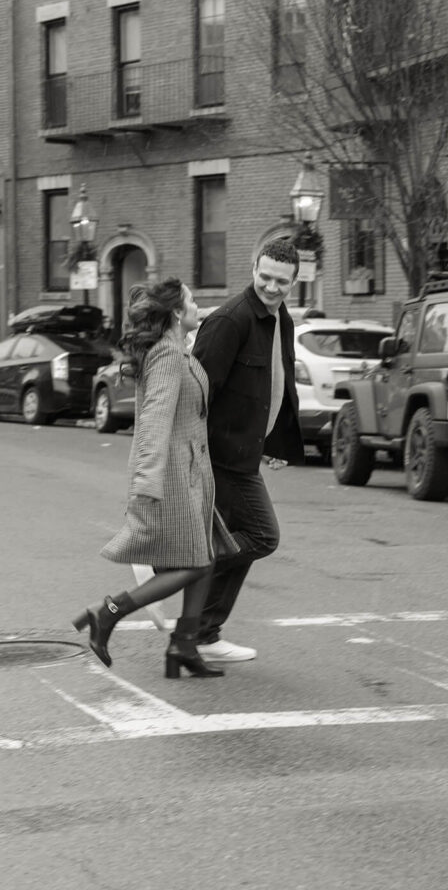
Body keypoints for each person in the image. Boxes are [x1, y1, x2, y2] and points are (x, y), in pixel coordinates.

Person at [72, 278, 239, 679]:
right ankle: (108, 612)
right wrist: (148, 481)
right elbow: (154, 421)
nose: (200, 305)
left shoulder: (178, 350)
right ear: (178, 313)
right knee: (196, 563)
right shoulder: (166, 354)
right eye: (193, 299)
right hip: (173, 474)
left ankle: (183, 644)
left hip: (193, 470)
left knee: (208, 555)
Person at [192, 239, 304, 664]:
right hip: (218, 456)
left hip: (244, 452)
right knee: (262, 536)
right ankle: (180, 569)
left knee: (245, 543)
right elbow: (197, 394)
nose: (271, 287)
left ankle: (203, 632)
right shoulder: (229, 321)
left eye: (281, 281)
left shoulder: (281, 319)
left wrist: (271, 442)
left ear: (294, 281)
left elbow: (274, 385)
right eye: (265, 277)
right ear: (253, 267)